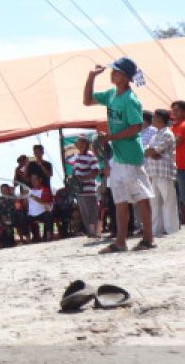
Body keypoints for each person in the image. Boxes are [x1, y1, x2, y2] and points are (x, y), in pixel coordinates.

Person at [85, 58, 156, 253]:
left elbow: (135, 128)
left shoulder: (131, 100)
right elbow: (87, 100)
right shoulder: (111, 94)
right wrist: (91, 76)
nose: (112, 73)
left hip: (131, 155)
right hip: (118, 157)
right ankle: (121, 241)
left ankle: (148, 239)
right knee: (121, 200)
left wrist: (110, 137)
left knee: (141, 197)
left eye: (116, 71)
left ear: (125, 77)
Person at [145, 109, 180, 237]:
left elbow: (155, 150)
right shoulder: (155, 135)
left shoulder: (167, 133)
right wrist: (152, 152)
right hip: (154, 172)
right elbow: (148, 150)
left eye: (154, 117)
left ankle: (171, 229)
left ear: (160, 119)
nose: (152, 119)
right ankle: (156, 230)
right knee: (154, 202)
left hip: (165, 172)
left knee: (168, 200)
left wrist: (152, 152)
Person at [69, 137, 100, 238]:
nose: (79, 146)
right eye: (78, 144)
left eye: (81, 144)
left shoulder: (91, 156)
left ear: (86, 144)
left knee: (92, 211)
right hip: (80, 190)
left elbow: (95, 171)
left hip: (89, 189)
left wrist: (82, 178)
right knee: (84, 212)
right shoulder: (77, 157)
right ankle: (90, 232)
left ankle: (96, 231)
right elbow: (75, 171)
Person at [26, 169, 54, 242]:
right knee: (22, 217)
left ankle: (48, 235)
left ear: (40, 179)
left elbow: (45, 203)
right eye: (32, 179)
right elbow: (25, 205)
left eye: (35, 179)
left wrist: (34, 197)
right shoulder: (29, 191)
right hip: (31, 215)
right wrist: (24, 199)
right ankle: (30, 237)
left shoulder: (45, 189)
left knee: (49, 215)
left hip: (42, 213)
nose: (33, 181)